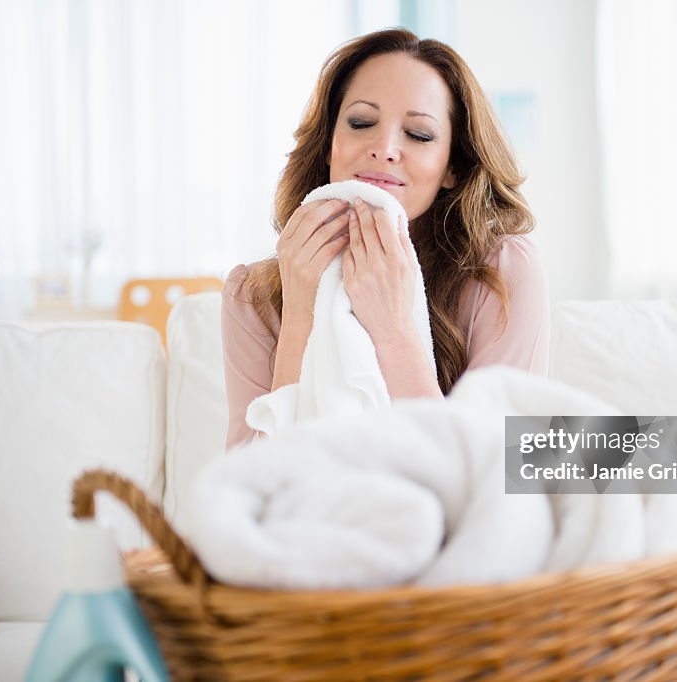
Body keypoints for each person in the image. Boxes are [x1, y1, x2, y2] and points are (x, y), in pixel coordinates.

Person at [222, 28, 550, 449]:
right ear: (328, 145)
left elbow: (501, 467)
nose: (385, 148)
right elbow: (244, 486)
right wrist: (301, 316)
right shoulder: (252, 295)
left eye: (419, 134)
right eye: (361, 123)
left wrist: (394, 332)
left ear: (452, 167)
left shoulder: (503, 272)